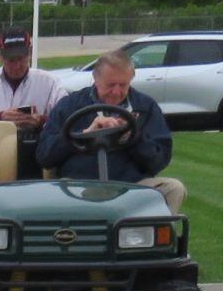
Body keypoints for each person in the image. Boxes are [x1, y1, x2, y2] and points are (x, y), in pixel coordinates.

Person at [36, 48, 186, 210]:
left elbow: (159, 160)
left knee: (174, 188)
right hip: (78, 185)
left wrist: (131, 137)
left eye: (123, 85)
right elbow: (45, 156)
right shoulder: (70, 105)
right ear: (96, 79)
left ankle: (152, 235)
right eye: (110, 85)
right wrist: (84, 135)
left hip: (131, 186)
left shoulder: (145, 107)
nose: (116, 92)